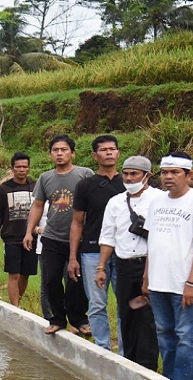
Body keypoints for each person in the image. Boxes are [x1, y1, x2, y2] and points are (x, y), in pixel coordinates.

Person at [142, 152, 193, 380]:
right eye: (164, 172)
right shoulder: (156, 202)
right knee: (164, 333)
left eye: (175, 172)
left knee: (185, 337)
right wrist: (147, 276)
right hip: (158, 282)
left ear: (188, 175)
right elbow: (152, 241)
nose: (168, 177)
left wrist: (192, 282)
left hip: (184, 283)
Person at [97, 156, 164, 369]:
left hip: (150, 264)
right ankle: (130, 362)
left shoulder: (160, 199)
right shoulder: (115, 202)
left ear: (147, 176)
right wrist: (101, 267)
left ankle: (148, 365)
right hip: (124, 265)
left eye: (134, 174)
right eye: (125, 174)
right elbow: (108, 237)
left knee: (148, 316)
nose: (128, 178)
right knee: (126, 313)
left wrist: (150, 272)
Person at [23, 135, 93, 335]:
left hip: (79, 238)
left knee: (76, 280)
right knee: (51, 279)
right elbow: (38, 206)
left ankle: (79, 320)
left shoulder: (85, 174)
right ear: (50, 154)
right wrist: (29, 232)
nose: (60, 153)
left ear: (73, 153)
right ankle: (57, 319)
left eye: (64, 150)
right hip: (52, 237)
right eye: (55, 150)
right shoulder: (45, 178)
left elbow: (94, 202)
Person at [69, 135, 124, 352]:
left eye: (112, 149)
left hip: (124, 252)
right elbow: (77, 222)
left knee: (125, 303)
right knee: (97, 303)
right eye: (103, 149)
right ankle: (102, 348)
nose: (109, 152)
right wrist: (73, 257)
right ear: (94, 155)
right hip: (92, 251)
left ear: (118, 153)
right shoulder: (85, 185)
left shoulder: (129, 183)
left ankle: (125, 352)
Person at [0, 152, 38, 307]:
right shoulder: (3, 189)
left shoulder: (36, 186)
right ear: (12, 169)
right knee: (13, 273)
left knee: (25, 274)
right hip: (11, 236)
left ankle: (18, 302)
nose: (21, 170)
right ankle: (15, 307)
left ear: (29, 168)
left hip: (32, 236)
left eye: (24, 167)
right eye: (18, 167)